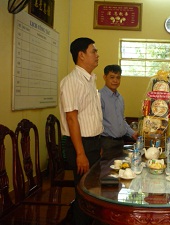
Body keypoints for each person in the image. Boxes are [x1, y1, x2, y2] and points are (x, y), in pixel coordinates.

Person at [59, 37, 103, 225]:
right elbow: (71, 118)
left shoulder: (90, 80)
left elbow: (91, 115)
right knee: (84, 194)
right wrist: (80, 153)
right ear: (81, 55)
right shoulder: (71, 81)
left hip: (92, 143)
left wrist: (97, 144)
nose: (97, 55)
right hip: (80, 144)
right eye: (93, 51)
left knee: (92, 191)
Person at [99, 64, 138, 160]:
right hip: (106, 143)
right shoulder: (99, 96)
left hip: (120, 142)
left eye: (118, 78)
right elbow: (96, 122)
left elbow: (122, 120)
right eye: (111, 77)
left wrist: (133, 133)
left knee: (118, 171)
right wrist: (98, 146)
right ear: (104, 77)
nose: (115, 81)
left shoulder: (120, 98)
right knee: (106, 172)